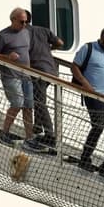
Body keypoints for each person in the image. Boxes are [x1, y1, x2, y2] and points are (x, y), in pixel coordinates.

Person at [69, 27, 104, 180]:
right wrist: (85, 84)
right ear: (103, 38)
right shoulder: (88, 48)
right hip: (93, 95)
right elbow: (74, 67)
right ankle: (85, 158)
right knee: (98, 126)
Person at [0, 8, 41, 152]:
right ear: (13, 20)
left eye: (26, 21)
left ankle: (29, 138)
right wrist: (7, 57)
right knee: (17, 103)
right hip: (11, 75)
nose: (25, 24)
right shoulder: (3, 35)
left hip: (26, 75)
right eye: (22, 21)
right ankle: (4, 132)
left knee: (28, 106)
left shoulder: (26, 32)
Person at [26, 12, 63, 148]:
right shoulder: (43, 30)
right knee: (38, 97)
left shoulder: (23, 34)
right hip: (51, 69)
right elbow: (60, 42)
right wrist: (48, 50)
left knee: (40, 101)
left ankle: (50, 134)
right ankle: (37, 126)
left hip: (37, 69)